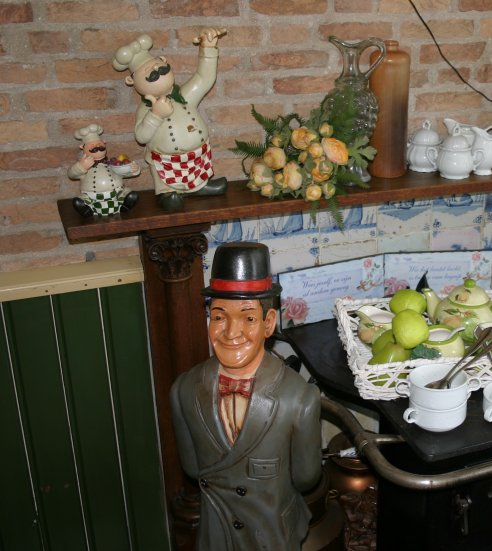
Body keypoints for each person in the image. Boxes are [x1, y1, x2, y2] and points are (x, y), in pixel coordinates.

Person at [170, 242, 322, 550]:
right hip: (216, 536)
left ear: (269, 323)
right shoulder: (184, 391)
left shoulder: (298, 399)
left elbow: (306, 479)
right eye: (219, 316)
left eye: (248, 318)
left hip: (273, 536)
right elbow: (193, 470)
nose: (230, 332)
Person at [112, 30, 228, 212]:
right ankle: (167, 193)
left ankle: (199, 186)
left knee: (198, 175)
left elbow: (204, 78)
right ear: (130, 81)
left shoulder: (185, 95)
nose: (157, 73)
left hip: (197, 157)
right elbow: (141, 137)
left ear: (164, 61)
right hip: (166, 161)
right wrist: (155, 115)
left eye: (159, 67)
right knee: (167, 189)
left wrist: (208, 49)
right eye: (150, 73)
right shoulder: (146, 109)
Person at [67, 123, 139, 217]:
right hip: (93, 197)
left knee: (130, 194)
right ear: (82, 147)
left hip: (116, 194)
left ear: (104, 143)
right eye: (92, 145)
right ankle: (87, 210)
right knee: (81, 200)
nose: (97, 146)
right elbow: (71, 174)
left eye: (99, 144)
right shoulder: (84, 166)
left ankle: (124, 206)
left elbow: (123, 172)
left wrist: (133, 169)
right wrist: (81, 167)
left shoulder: (112, 163)